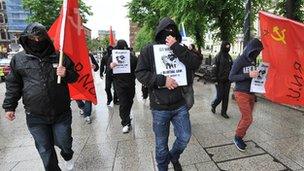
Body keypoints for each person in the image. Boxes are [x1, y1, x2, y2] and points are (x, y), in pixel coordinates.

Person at [2, 23, 79, 171]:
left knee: (64, 142)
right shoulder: (18, 60)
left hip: (60, 112)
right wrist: (9, 106)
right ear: (26, 39)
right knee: (45, 149)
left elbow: (75, 76)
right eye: (32, 38)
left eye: (40, 37)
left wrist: (66, 73)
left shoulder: (59, 56)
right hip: (35, 115)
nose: (37, 41)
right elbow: (13, 84)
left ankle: (67, 155)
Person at [136, 17, 201, 171]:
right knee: (160, 145)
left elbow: (195, 63)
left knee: (184, 137)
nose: (169, 33)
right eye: (166, 31)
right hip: (159, 107)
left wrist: (176, 47)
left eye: (173, 31)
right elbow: (140, 73)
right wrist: (162, 80)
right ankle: (162, 167)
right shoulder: (149, 50)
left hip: (180, 104)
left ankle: (174, 156)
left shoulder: (180, 47)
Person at [229, 38, 263, 151]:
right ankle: (237, 137)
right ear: (250, 49)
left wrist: (259, 75)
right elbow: (231, 77)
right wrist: (248, 75)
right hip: (240, 92)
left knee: (246, 117)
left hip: (251, 93)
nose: (257, 54)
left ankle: (240, 135)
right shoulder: (240, 60)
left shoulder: (253, 60)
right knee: (248, 118)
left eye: (258, 52)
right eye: (256, 51)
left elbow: (253, 75)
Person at [109, 39, 138, 133]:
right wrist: (111, 67)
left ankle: (127, 116)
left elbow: (138, 69)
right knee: (123, 103)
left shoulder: (132, 57)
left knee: (129, 101)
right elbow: (108, 71)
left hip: (130, 83)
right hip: (119, 84)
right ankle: (125, 122)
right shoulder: (112, 57)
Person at [211, 41, 233, 119]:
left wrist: (232, 77)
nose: (228, 48)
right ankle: (214, 104)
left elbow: (232, 68)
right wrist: (214, 79)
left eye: (229, 46)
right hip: (219, 80)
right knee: (220, 96)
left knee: (226, 97)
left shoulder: (229, 57)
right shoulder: (218, 57)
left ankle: (224, 112)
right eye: (227, 46)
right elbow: (214, 68)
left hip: (227, 81)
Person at [76, 53, 99, 124]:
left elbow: (96, 67)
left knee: (88, 97)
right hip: (76, 80)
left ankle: (87, 115)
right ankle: (82, 107)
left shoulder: (90, 55)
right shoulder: (73, 55)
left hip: (88, 80)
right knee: (77, 97)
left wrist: (94, 66)